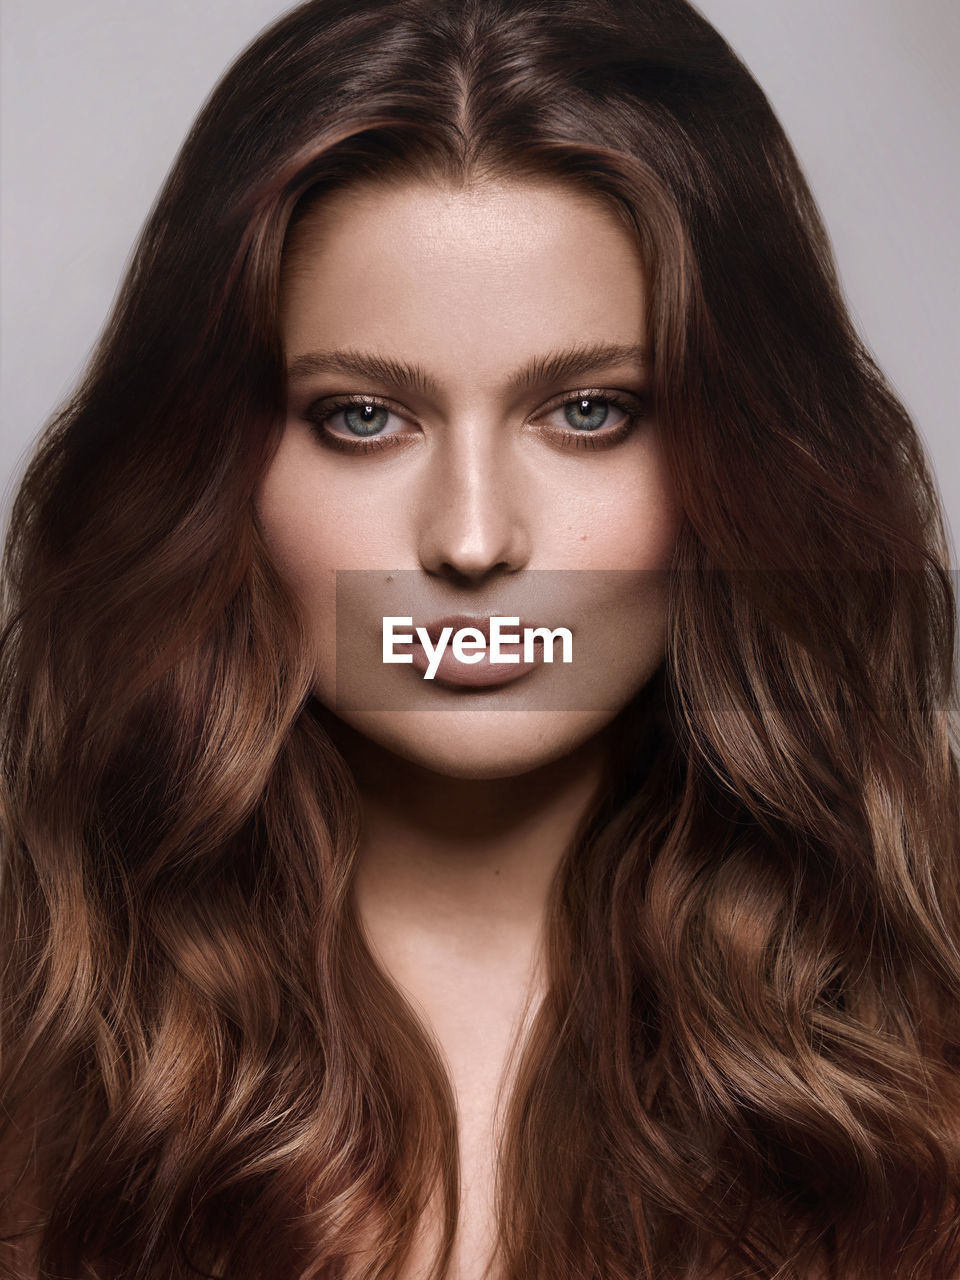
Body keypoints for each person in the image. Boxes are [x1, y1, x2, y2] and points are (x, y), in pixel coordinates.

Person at [1, 0, 958, 1277]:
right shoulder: (39, 1012)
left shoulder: (923, 1010)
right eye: (359, 416)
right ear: (210, 469)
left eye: (586, 411)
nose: (469, 537)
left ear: (749, 453)